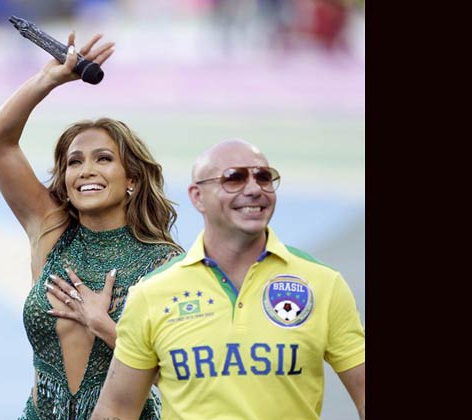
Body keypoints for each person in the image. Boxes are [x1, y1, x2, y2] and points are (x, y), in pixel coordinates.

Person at [0, 31, 183, 420]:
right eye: (74, 162)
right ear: (66, 183)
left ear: (132, 179)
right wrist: (48, 80)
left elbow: (180, 375)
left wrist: (104, 326)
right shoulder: (50, 230)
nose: (86, 170)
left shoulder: (165, 263)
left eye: (103, 159)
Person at [91, 139, 365, 420]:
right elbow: (117, 410)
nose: (254, 189)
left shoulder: (322, 283)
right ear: (197, 197)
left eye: (264, 177)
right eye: (234, 178)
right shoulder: (152, 293)